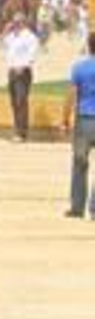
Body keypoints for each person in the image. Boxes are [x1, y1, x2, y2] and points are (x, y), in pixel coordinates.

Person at [62, 33, 95, 216]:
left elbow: (71, 96)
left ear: (89, 46)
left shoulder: (79, 68)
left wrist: (65, 120)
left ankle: (77, 207)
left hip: (84, 119)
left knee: (79, 163)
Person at [2, 13, 40, 142]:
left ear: (23, 22)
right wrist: (5, 31)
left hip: (22, 72)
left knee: (21, 101)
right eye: (13, 21)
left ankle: (21, 132)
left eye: (17, 22)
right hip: (12, 71)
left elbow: (32, 53)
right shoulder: (11, 36)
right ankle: (17, 129)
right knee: (14, 102)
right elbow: (3, 45)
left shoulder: (29, 37)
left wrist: (23, 66)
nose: (14, 24)